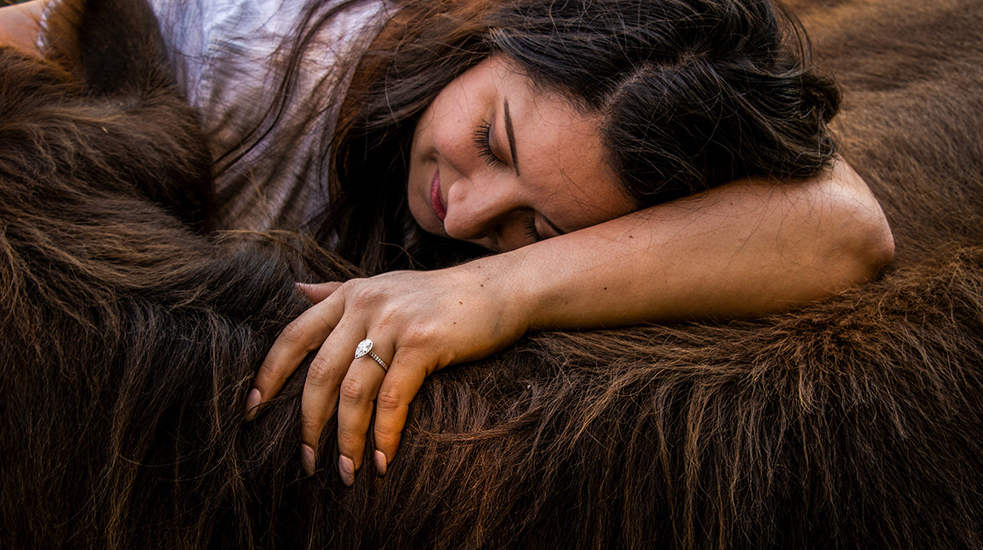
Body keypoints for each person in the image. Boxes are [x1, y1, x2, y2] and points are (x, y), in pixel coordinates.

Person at [1, 0, 894, 488]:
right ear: (502, 28)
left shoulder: (481, 230)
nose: (466, 216)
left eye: (532, 225)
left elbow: (846, 228)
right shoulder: (260, 55)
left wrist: (502, 290)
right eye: (492, 141)